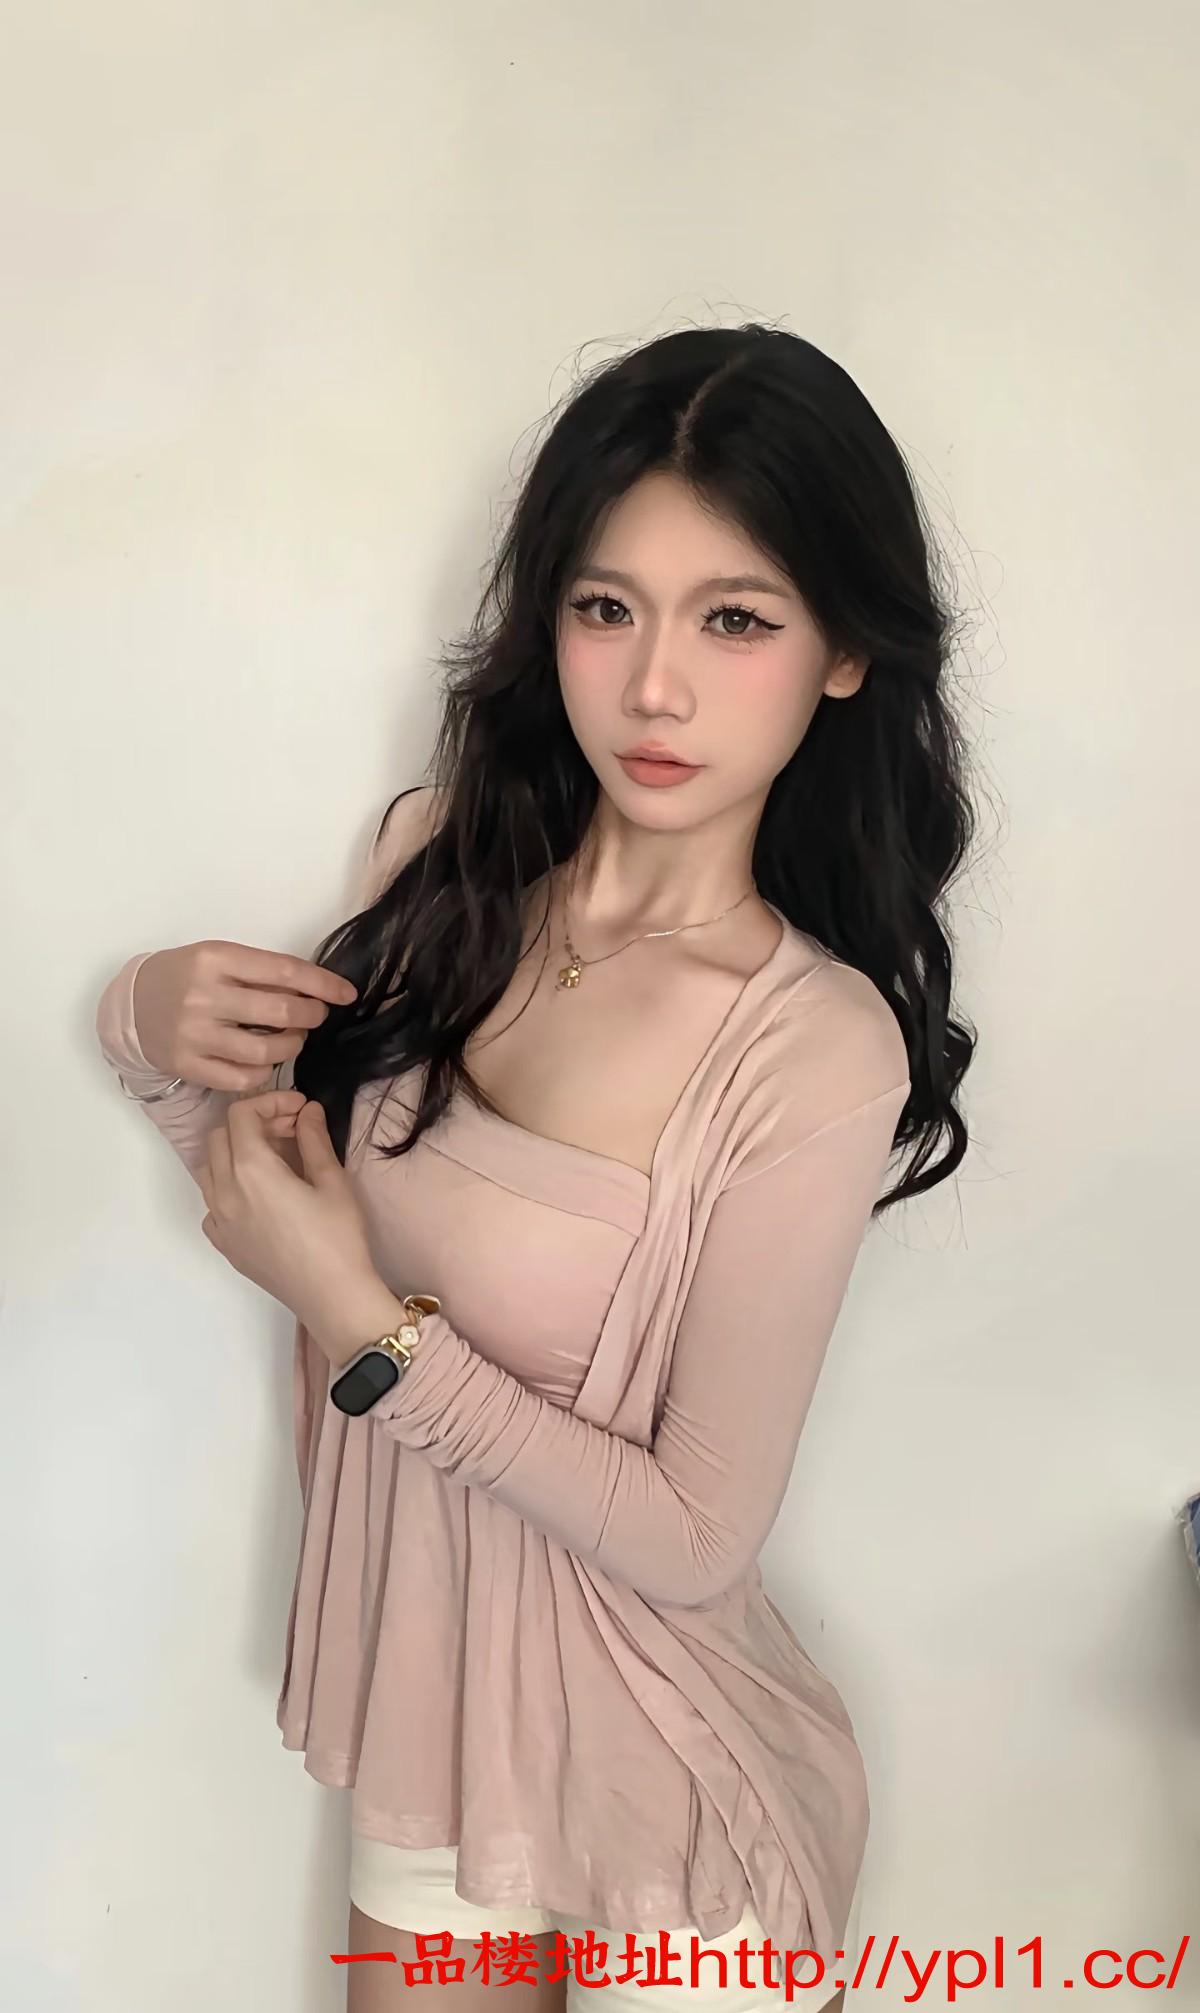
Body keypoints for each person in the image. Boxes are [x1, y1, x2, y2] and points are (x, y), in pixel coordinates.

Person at [95, 322, 977, 2013]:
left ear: (845, 652)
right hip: (433, 1723)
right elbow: (273, 1195)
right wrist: (143, 1020)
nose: (654, 689)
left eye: (736, 619)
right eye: (606, 606)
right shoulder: (440, 871)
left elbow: (696, 1533)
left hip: (669, 1781)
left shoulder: (811, 1044)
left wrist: (367, 1323)